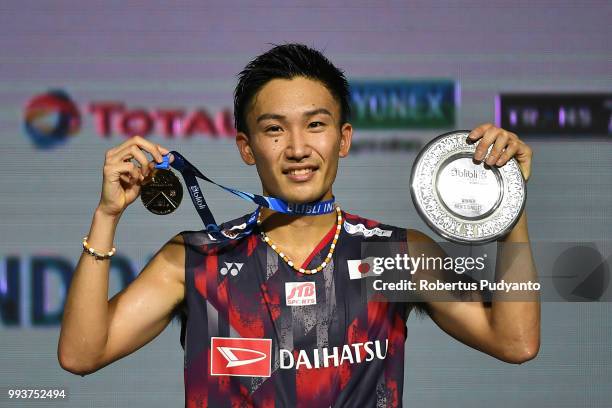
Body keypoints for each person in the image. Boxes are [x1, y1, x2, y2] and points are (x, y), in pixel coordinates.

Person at [58, 43, 540, 407]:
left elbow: (514, 342)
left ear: (343, 138)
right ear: (246, 147)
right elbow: (82, 355)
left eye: (316, 125)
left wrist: (508, 204)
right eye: (273, 129)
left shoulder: (397, 254)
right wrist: (107, 217)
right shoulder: (192, 259)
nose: (296, 148)